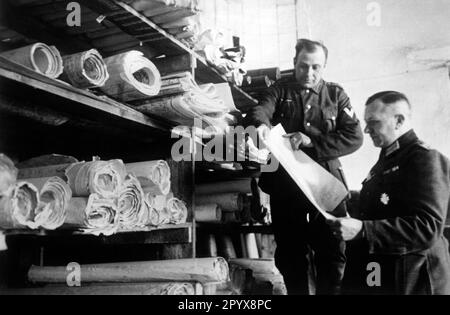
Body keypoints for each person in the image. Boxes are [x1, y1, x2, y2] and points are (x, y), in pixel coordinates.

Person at [243, 39, 364, 295]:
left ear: (324, 67)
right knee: (290, 253)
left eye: (316, 68)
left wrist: (312, 142)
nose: (308, 73)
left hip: (326, 183)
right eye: (302, 66)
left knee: (331, 251)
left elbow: (354, 136)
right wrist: (261, 125)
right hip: (286, 184)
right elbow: (259, 110)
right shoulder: (280, 90)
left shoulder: (336, 95)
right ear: (294, 63)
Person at [328, 91, 450, 295]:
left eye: (373, 122)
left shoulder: (424, 159)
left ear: (399, 120)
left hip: (413, 277)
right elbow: (385, 203)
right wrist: (346, 197)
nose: (367, 130)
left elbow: (427, 227)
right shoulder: (391, 157)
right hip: (386, 271)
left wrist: (364, 230)